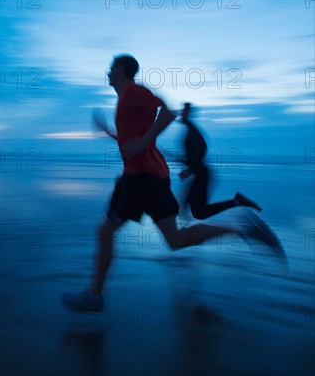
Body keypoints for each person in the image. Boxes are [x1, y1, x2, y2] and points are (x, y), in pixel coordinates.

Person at [60, 55, 284, 313]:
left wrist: (144, 142)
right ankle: (242, 227)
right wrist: (110, 132)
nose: (107, 73)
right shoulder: (125, 100)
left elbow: (168, 112)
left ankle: (94, 296)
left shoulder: (133, 92)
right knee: (175, 239)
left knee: (104, 231)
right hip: (153, 177)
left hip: (138, 178)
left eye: (111, 69)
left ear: (120, 70)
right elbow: (129, 141)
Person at [179, 102, 261, 220]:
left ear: (188, 114)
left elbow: (202, 148)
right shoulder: (189, 131)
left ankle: (236, 201)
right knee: (191, 210)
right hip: (199, 174)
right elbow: (194, 156)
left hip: (201, 175)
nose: (181, 114)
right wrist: (185, 163)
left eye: (184, 112)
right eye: (182, 111)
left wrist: (189, 170)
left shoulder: (192, 131)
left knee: (199, 212)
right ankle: (183, 232)